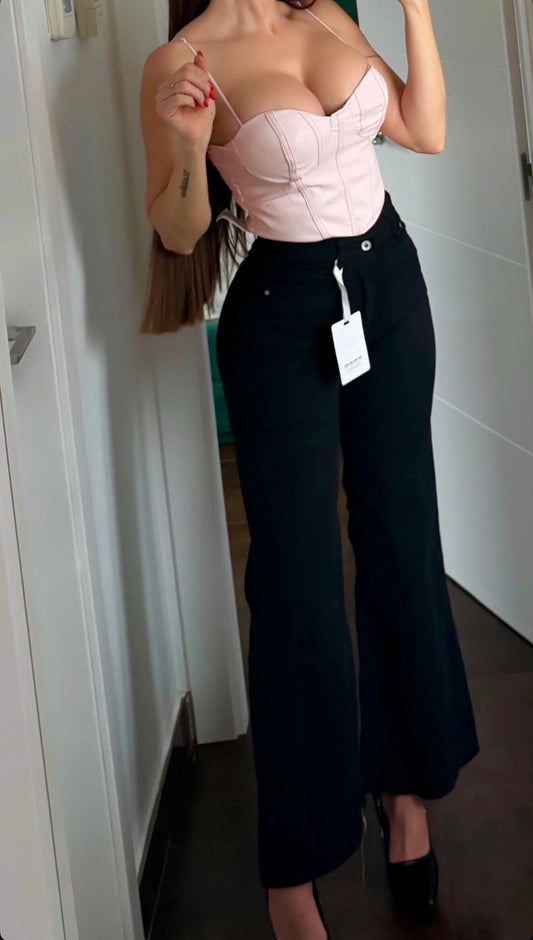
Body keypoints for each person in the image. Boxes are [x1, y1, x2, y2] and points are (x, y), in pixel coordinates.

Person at [139, 0, 480, 936]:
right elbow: (179, 231)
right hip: (283, 317)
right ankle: (291, 873)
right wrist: (187, 143)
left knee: (402, 539)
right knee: (295, 585)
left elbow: (425, 131)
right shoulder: (178, 59)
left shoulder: (327, 14)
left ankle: (405, 794)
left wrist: (414, 9)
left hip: (389, 288)